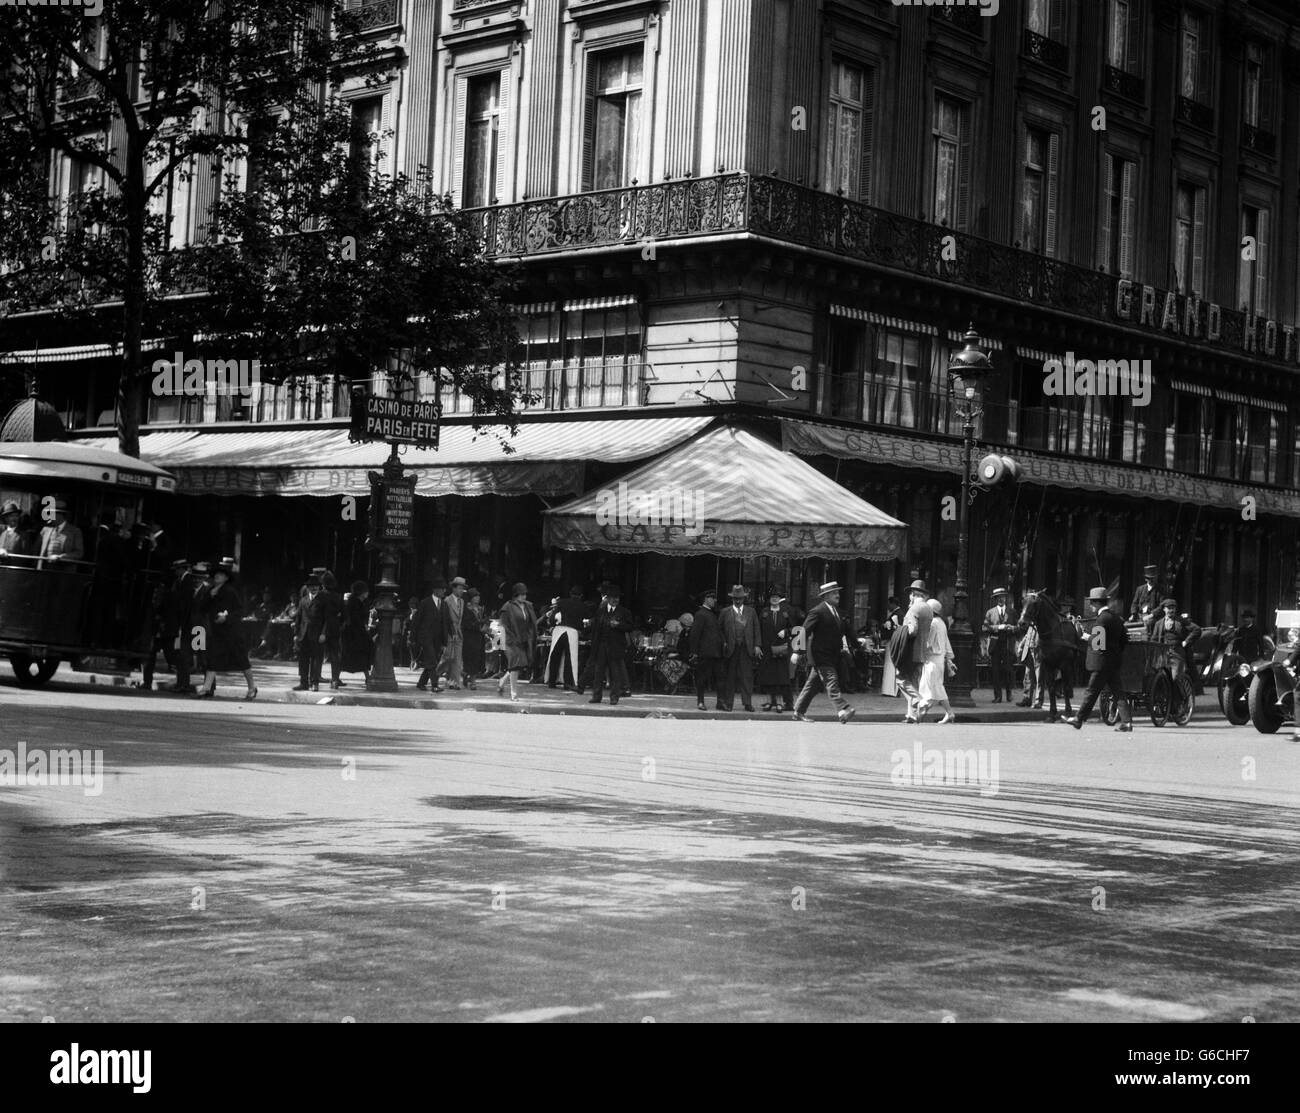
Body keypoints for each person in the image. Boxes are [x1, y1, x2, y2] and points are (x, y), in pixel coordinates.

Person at [1065, 587, 1131, 732]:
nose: (1090, 606)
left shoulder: (1102, 619)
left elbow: (1097, 643)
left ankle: (1078, 719)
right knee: (1118, 692)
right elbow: (1124, 640)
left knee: (1091, 691)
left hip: (1101, 662)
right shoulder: (1116, 618)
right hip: (1113, 661)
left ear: (1096, 603)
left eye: (1091, 603)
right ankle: (1127, 722)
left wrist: (1084, 636)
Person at [791, 580, 857, 723]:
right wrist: (797, 651)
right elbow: (804, 631)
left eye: (838, 592)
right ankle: (843, 710)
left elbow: (848, 632)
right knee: (831, 680)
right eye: (834, 593)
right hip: (820, 655)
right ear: (825, 596)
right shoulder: (817, 611)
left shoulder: (839, 612)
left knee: (813, 685)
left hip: (833, 656)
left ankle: (798, 711)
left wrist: (858, 644)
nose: (837, 595)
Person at [195, 561, 256, 700]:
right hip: (217, 632)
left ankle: (252, 687)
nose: (217, 576)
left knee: (242, 660)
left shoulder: (230, 591)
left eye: (220, 574)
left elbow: (240, 610)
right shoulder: (210, 590)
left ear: (226, 578)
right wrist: (210, 596)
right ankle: (206, 688)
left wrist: (226, 617)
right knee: (213, 659)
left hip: (232, 632)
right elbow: (202, 608)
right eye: (216, 574)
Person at [894, 580, 934, 723]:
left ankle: (919, 701)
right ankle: (912, 715)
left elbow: (912, 630)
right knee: (914, 682)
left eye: (910, 594)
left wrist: (899, 628)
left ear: (913, 594)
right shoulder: (928, 609)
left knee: (900, 678)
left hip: (911, 651)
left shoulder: (914, 609)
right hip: (922, 652)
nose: (909, 597)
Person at [586, 583, 632, 705]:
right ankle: (596, 696)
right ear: (608, 599)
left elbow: (630, 626)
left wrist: (619, 625)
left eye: (617, 598)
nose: (615, 600)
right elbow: (596, 628)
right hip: (602, 645)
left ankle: (614, 697)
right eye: (613, 598)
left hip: (615, 646)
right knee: (599, 671)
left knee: (615, 672)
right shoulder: (600, 611)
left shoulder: (624, 612)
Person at [719, 584, 761, 712]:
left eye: (740, 598)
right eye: (735, 598)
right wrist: (724, 642)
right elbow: (719, 630)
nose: (738, 601)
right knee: (730, 677)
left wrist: (757, 645)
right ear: (732, 599)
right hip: (731, 648)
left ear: (744, 599)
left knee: (747, 676)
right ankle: (728, 703)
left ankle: (747, 703)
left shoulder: (751, 611)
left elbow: (756, 629)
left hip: (746, 648)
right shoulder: (725, 612)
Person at [758, 587, 798, 712]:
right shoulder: (764, 612)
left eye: (777, 597)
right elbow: (758, 630)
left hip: (781, 649)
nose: (774, 599)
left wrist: (786, 632)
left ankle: (780, 703)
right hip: (767, 649)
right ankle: (770, 702)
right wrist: (758, 645)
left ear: (779, 599)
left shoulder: (785, 613)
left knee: (781, 677)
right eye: (772, 597)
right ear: (769, 599)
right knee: (769, 676)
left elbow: (795, 629)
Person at [1145, 598, 1202, 686]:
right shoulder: (1158, 623)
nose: (1171, 610)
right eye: (1169, 608)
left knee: (1175, 678)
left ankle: (1180, 698)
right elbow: (1154, 639)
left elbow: (1197, 630)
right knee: (1159, 678)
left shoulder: (1181, 621)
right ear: (1164, 609)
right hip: (1162, 654)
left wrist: (1186, 641)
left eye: (1173, 608)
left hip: (1177, 653)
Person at [497, 582, 538, 701]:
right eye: (521, 594)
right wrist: (510, 639)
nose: (524, 596)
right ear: (515, 595)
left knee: (520, 665)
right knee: (515, 665)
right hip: (510, 640)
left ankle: (503, 680)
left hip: (524, 639)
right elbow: (503, 625)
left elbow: (532, 623)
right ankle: (513, 693)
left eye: (525, 594)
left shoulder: (528, 606)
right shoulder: (507, 607)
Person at [918, 598, 956, 724]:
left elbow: (928, 643)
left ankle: (924, 709)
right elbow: (946, 643)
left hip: (932, 660)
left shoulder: (933, 623)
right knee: (935, 687)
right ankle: (944, 712)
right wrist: (949, 658)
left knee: (933, 688)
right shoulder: (941, 623)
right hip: (939, 660)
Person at [544, 586, 589, 690]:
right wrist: (583, 631)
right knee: (570, 658)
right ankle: (568, 682)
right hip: (572, 630)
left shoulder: (562, 603)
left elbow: (553, 616)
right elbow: (586, 621)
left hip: (559, 630)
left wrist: (552, 626)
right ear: (581, 596)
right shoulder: (583, 606)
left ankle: (552, 681)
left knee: (555, 656)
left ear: (570, 593)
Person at [689, 588, 725, 711]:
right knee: (702, 678)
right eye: (712, 598)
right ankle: (700, 701)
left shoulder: (712, 613)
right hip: (705, 652)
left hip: (717, 652)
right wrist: (694, 652)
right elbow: (695, 634)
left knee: (720, 678)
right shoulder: (700, 614)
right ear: (706, 599)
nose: (714, 600)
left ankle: (720, 702)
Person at [981, 587, 1017, 703]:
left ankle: (1009, 694)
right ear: (996, 599)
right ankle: (997, 696)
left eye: (1003, 596)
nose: (1002, 599)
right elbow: (985, 627)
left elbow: (1019, 627)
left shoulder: (1012, 612)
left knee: (1008, 670)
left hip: (1007, 644)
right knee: (995, 671)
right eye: (999, 597)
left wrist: (1012, 628)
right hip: (995, 645)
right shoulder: (990, 612)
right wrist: (998, 627)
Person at [314, 571, 345, 690]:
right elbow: (344, 614)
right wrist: (338, 623)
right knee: (335, 655)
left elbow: (316, 612)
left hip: (320, 628)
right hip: (334, 627)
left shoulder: (319, 596)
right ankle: (335, 680)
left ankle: (315, 680)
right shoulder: (338, 596)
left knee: (318, 655)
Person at [413, 581, 446, 690]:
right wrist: (413, 637)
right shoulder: (425, 603)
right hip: (426, 636)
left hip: (437, 638)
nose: (444, 591)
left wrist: (445, 640)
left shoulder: (443, 604)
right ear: (435, 590)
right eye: (442, 589)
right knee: (432, 660)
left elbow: (445, 623)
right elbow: (417, 620)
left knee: (431, 661)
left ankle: (421, 683)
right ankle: (435, 685)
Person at [340, 581, 374, 685]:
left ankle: (336, 678)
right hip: (354, 633)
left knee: (349, 656)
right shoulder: (355, 603)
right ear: (362, 592)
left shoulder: (356, 602)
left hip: (353, 632)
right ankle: (368, 678)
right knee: (360, 655)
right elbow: (356, 619)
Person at [293, 575, 323, 691]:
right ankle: (303, 682)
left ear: (319, 588)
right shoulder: (303, 600)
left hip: (317, 634)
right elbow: (298, 618)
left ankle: (314, 682)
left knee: (316, 659)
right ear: (308, 588)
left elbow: (327, 619)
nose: (314, 588)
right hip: (303, 634)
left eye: (316, 586)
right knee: (303, 659)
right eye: (311, 586)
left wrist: (324, 633)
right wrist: (296, 634)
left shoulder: (323, 600)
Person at [438, 576, 469, 689]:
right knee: (447, 657)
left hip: (458, 632)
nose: (461, 591)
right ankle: (434, 674)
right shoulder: (447, 600)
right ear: (454, 589)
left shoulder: (462, 602)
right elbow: (445, 619)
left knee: (457, 658)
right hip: (449, 633)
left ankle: (454, 682)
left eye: (463, 589)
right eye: (460, 588)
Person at [38, 497, 85, 563]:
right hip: (45, 570)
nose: (50, 516)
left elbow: (79, 553)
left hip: (64, 570)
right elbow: (36, 550)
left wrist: (61, 557)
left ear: (60, 515)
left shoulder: (75, 532)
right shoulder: (45, 530)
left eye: (52, 513)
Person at [1016, 590, 1042, 708]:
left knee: (1038, 676)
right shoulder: (1031, 621)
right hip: (1029, 649)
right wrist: (1021, 645)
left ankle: (1037, 700)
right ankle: (1026, 698)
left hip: (1037, 650)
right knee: (1027, 676)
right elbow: (1028, 634)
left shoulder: (1039, 622)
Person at [462, 588, 486, 687]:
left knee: (478, 658)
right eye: (475, 596)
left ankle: (466, 674)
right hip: (469, 637)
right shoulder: (466, 609)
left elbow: (485, 620)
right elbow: (466, 624)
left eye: (478, 596)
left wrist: (485, 626)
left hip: (479, 637)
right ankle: (473, 682)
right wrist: (478, 625)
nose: (477, 598)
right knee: (471, 658)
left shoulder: (481, 609)